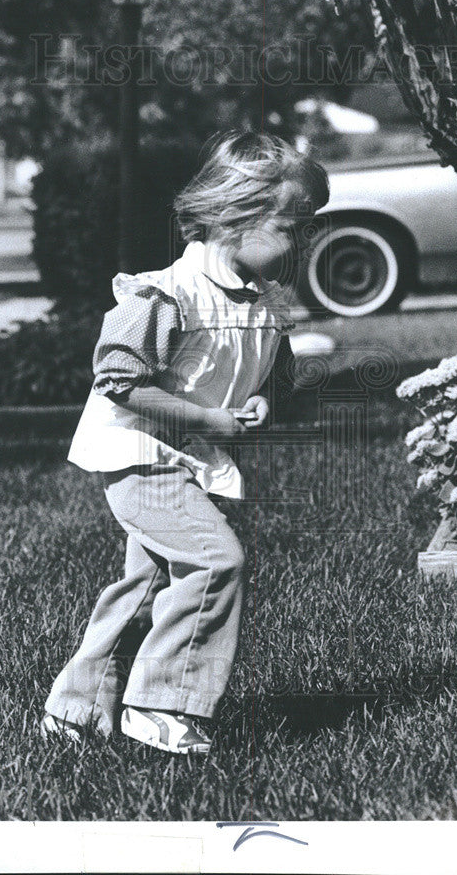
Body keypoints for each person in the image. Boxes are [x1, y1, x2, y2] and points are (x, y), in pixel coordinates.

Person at [42, 131, 329, 754]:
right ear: (233, 216)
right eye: (291, 225)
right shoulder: (164, 295)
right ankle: (161, 705)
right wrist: (207, 422)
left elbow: (277, 382)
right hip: (140, 458)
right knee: (213, 560)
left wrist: (262, 404)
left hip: (186, 463)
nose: (302, 239)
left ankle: (78, 707)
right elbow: (118, 380)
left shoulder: (268, 305)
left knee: (145, 589)